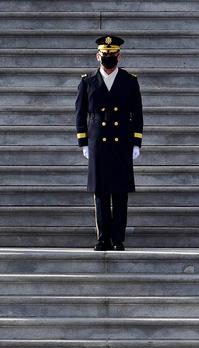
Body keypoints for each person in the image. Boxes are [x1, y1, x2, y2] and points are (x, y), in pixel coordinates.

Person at [75, 35, 143, 251]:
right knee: (101, 192)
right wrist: (83, 142)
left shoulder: (129, 81)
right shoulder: (87, 81)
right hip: (98, 142)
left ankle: (118, 238)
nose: (109, 59)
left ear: (119, 56)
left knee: (120, 192)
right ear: (98, 56)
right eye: (105, 55)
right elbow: (80, 113)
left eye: (112, 55)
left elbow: (137, 113)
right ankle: (103, 237)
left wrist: (136, 142)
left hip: (122, 141)